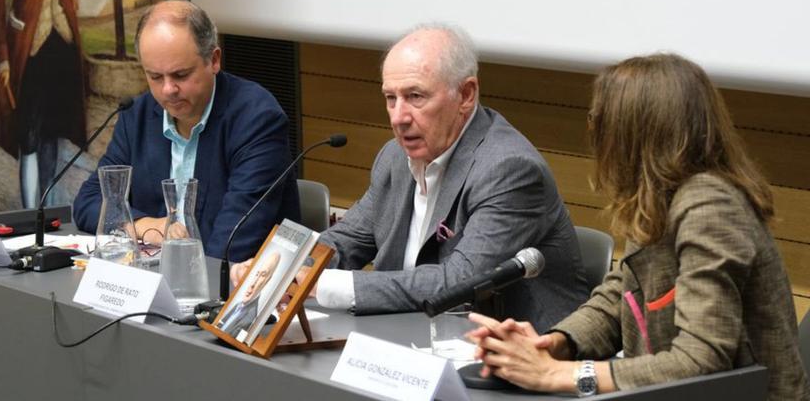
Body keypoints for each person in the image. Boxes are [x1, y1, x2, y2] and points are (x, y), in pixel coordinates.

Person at [467, 54, 810, 399]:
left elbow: (702, 361)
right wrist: (555, 344)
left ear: (632, 132)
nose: (593, 131)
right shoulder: (660, 197)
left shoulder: (711, 208)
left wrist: (565, 374)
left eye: (598, 119)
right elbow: (620, 296)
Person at [233, 23, 588, 331]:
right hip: (409, 337)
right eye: (391, 98)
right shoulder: (394, 156)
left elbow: (459, 283)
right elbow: (346, 240)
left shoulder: (509, 169)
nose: (399, 117)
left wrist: (321, 284)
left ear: (466, 95)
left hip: (519, 363)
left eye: (415, 97)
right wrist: (280, 268)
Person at [73, 0, 300, 262]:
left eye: (180, 75)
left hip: (234, 285)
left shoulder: (257, 119)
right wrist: (144, 225)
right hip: (152, 280)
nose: (168, 89)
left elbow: (232, 243)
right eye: (155, 77)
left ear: (214, 60)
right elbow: (90, 201)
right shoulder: (138, 115)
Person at [0, 0, 90, 208]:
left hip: (61, 43)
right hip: (27, 45)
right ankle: (29, 213)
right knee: (28, 134)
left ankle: (46, 211)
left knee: (53, 130)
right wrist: (2, 55)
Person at [218, 251, 281, 338]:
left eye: (263, 275)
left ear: (269, 280)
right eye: (257, 274)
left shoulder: (251, 317)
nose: (252, 284)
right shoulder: (237, 305)